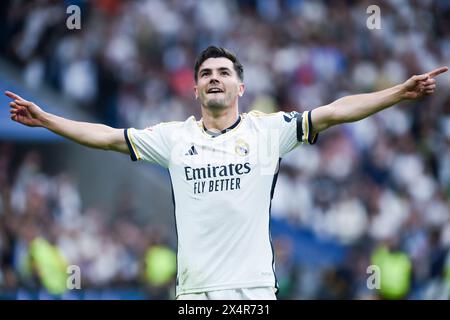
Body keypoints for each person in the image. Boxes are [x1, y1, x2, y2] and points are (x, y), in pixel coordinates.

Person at [5, 46, 448, 300]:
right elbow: (105, 137)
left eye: (223, 72)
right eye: (205, 74)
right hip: (194, 297)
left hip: (252, 294)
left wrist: (398, 93)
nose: (214, 78)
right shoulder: (173, 138)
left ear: (241, 87)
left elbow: (334, 112)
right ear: (195, 88)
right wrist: (49, 120)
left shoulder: (268, 131)